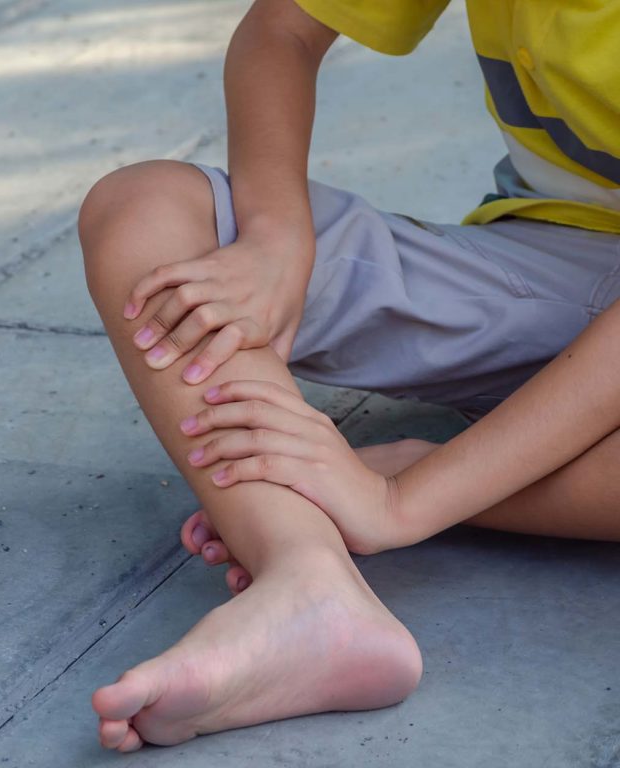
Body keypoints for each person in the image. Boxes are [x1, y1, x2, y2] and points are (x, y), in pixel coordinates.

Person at [79, 0, 620, 753]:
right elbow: (284, 28)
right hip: (554, 270)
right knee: (149, 210)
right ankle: (303, 579)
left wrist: (405, 497)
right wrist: (274, 238)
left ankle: (428, 474)